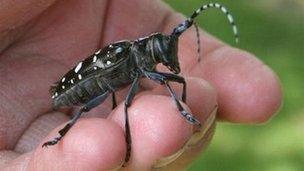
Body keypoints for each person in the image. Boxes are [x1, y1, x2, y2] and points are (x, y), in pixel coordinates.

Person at [0, 0, 282, 170]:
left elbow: (155, 84)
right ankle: (61, 137)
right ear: (152, 50)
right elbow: (121, 95)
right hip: (77, 85)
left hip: (104, 83)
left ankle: (182, 111)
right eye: (164, 52)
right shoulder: (128, 55)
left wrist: (181, 106)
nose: (168, 58)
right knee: (96, 107)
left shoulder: (142, 63)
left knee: (179, 81)